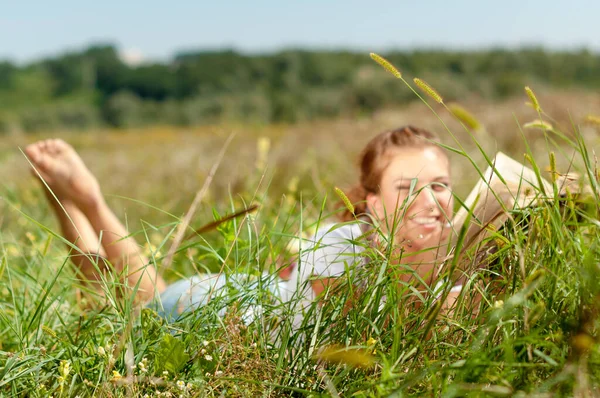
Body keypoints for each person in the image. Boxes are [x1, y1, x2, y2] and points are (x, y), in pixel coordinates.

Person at [25, 125, 456, 324]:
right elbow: (366, 332)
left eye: (440, 185)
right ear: (374, 203)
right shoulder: (340, 249)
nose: (428, 200)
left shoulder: (461, 254)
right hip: (225, 309)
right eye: (407, 187)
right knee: (123, 309)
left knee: (140, 293)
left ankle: (78, 197)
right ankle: (77, 200)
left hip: (260, 291)